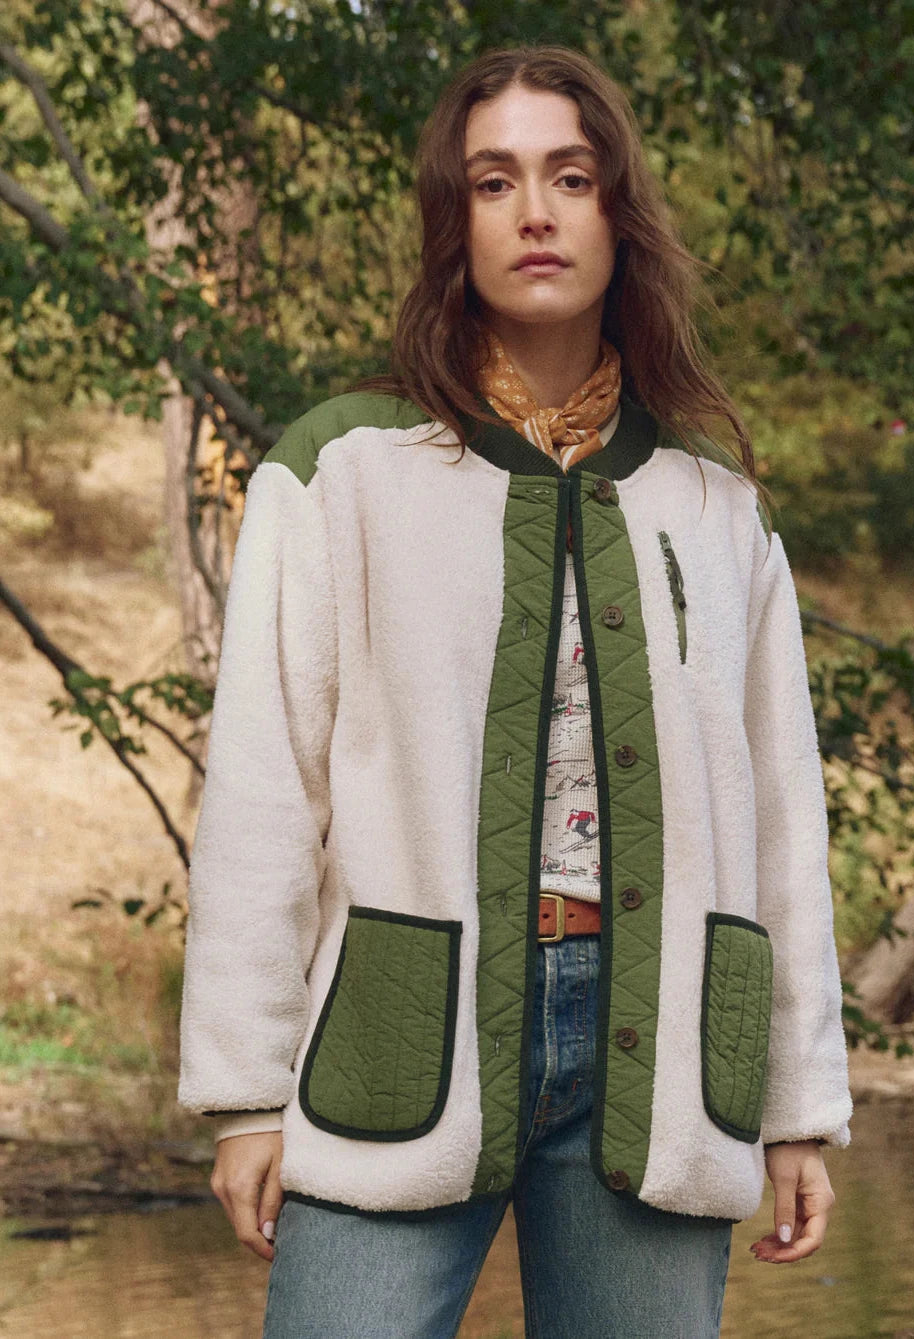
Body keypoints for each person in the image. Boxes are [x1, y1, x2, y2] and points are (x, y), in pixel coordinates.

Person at [178, 42, 853, 1339]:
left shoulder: (717, 504)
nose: (535, 212)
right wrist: (249, 1097)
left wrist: (797, 1109)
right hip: (395, 1038)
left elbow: (780, 818)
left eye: (571, 176)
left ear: (620, 214)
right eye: (494, 183)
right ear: (456, 223)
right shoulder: (342, 470)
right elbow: (267, 793)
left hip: (656, 1054)